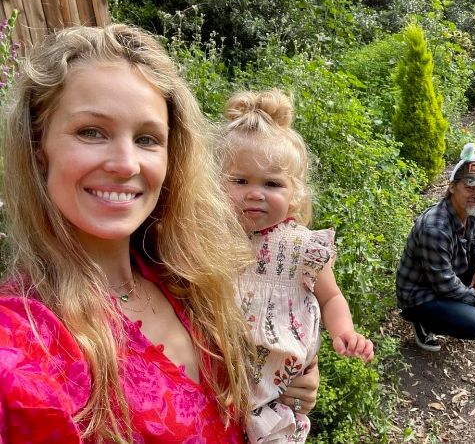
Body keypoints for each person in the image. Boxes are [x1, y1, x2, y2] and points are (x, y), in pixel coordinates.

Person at [0, 25, 317, 443]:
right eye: (91, 131)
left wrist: (286, 385)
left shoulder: (184, 274)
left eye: (147, 138)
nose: (125, 163)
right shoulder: (26, 341)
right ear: (40, 148)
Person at [216, 89, 374, 443]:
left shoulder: (303, 247)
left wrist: (344, 332)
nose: (255, 193)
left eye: (272, 183)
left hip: (278, 392)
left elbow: (331, 297)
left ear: (294, 194)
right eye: (240, 181)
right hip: (219, 382)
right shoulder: (209, 238)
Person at [396, 143, 475, 352]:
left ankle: (458, 308)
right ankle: (423, 322)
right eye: (469, 187)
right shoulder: (435, 228)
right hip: (422, 294)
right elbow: (444, 283)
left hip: (447, 278)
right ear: (452, 187)